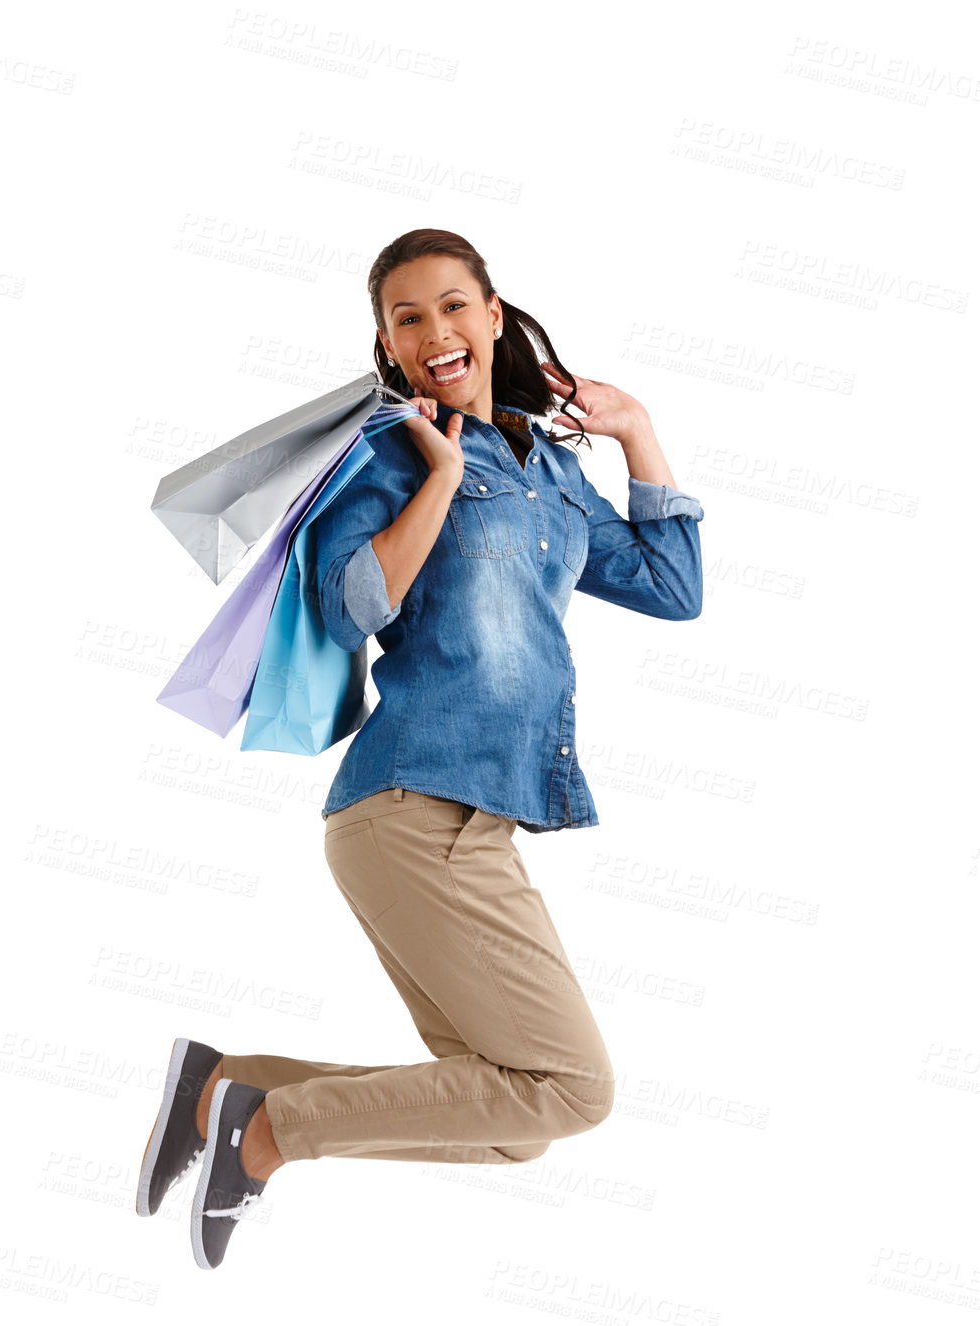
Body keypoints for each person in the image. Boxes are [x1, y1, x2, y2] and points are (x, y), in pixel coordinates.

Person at [137, 227, 705, 1270]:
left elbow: (672, 590)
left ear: (492, 316)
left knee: (519, 1118)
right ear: (389, 349)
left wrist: (635, 432)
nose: (435, 330)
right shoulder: (391, 451)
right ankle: (263, 1136)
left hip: (472, 820)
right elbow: (350, 602)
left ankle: (225, 1085)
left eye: (452, 306)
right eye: (407, 318)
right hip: (411, 808)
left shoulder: (546, 470)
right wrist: (437, 477)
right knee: (574, 1089)